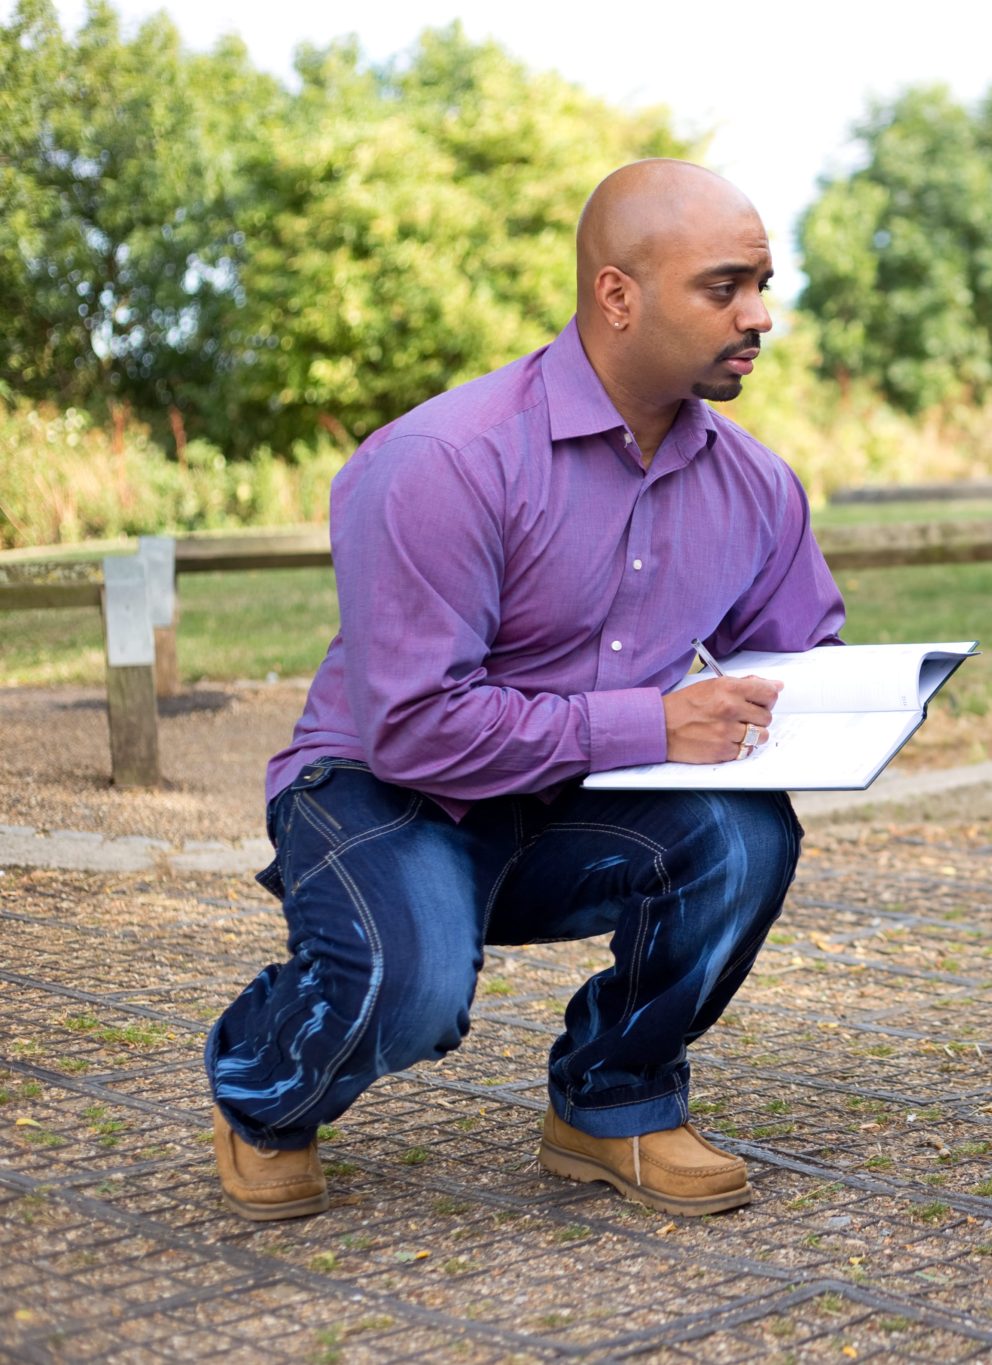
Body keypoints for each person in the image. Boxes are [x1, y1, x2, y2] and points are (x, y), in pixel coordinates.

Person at [205, 161, 844, 1223]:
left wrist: (860, 703)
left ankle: (613, 1103)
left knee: (745, 840)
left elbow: (797, 658)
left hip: (574, 802)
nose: (760, 316)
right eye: (724, 287)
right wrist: (655, 721)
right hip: (386, 790)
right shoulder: (440, 461)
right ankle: (268, 1085)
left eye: (765, 284)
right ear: (616, 295)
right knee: (408, 993)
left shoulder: (755, 484)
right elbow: (414, 730)